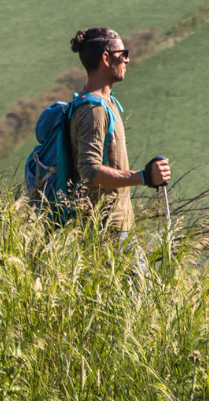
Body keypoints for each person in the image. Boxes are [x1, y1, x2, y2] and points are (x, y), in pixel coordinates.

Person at [66, 28, 171, 252]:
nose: (127, 59)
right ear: (106, 58)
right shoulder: (93, 110)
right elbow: (89, 170)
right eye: (122, 53)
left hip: (114, 227)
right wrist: (144, 177)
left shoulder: (107, 103)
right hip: (108, 230)